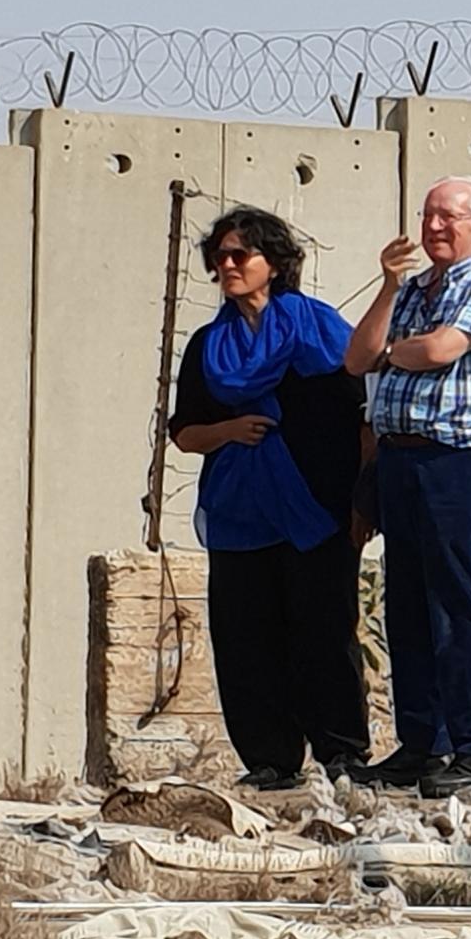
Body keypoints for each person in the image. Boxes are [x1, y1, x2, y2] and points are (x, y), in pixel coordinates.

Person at [169, 207, 371, 789]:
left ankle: (342, 753)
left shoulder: (320, 329)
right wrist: (229, 432)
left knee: (323, 629)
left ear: (273, 265)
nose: (228, 267)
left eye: (241, 256)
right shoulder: (210, 346)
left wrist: (361, 498)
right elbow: (185, 432)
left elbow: (360, 414)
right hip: (240, 511)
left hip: (317, 508)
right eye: (220, 258)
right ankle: (270, 758)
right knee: (246, 636)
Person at [343, 175, 471, 797]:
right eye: (428, 216)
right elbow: (356, 358)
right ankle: (424, 743)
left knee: (462, 603)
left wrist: (395, 352)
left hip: (457, 462)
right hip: (399, 460)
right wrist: (390, 286)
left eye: (450, 216)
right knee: (409, 607)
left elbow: (443, 349)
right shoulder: (413, 289)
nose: (436, 227)